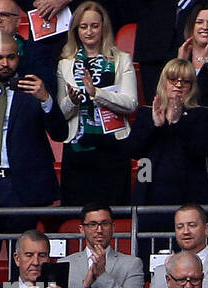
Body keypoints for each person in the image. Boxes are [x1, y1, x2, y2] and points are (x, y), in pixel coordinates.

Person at [0, 30, 69, 285]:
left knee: (26, 269)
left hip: (22, 191)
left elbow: (60, 133)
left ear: (19, 58)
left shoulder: (34, 91)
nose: (4, 64)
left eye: (10, 57)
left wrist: (47, 100)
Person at [56, 2, 137, 206]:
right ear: (76, 30)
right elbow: (59, 113)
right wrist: (73, 101)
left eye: (94, 26)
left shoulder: (121, 59)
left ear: (103, 27)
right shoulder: (65, 64)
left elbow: (130, 103)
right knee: (77, 215)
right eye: (83, 27)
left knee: (114, 215)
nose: (89, 31)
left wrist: (97, 93)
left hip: (113, 148)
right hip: (77, 149)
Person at [127, 58, 208, 222]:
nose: (178, 84)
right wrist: (155, 125)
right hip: (150, 195)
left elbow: (200, 150)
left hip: (188, 198)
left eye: (185, 81)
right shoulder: (146, 114)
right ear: (164, 82)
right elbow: (133, 150)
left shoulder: (201, 115)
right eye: (173, 79)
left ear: (191, 86)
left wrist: (176, 123)